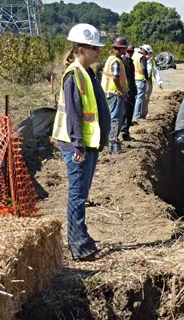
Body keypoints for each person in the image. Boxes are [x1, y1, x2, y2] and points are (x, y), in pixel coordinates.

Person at [52, 23, 111, 261]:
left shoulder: (88, 73)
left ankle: (82, 238)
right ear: (81, 49)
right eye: (94, 48)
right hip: (77, 145)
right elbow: (74, 114)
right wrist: (78, 145)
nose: (98, 52)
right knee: (77, 194)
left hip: (89, 143)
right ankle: (79, 246)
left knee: (82, 194)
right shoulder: (74, 74)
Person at [101, 36, 128, 152]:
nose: (125, 51)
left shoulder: (110, 59)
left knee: (111, 117)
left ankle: (111, 142)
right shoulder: (116, 61)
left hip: (108, 92)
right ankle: (114, 144)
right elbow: (115, 78)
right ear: (120, 49)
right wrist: (122, 91)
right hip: (115, 94)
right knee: (116, 119)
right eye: (124, 48)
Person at [140, 44, 163, 120]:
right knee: (139, 98)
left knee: (146, 99)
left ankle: (143, 114)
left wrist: (159, 82)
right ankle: (137, 114)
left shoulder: (151, 61)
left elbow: (155, 71)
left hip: (148, 82)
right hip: (140, 81)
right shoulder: (139, 59)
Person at [120, 44, 137, 141]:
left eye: (131, 51)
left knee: (129, 112)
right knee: (125, 112)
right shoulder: (123, 62)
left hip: (130, 89)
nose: (130, 53)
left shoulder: (131, 62)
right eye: (128, 51)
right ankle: (124, 133)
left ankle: (125, 131)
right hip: (126, 90)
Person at [132, 45, 149, 123]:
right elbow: (144, 68)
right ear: (144, 51)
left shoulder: (134, 56)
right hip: (141, 79)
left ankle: (133, 115)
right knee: (139, 98)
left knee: (135, 98)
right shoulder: (142, 57)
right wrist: (146, 77)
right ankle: (137, 116)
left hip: (134, 79)